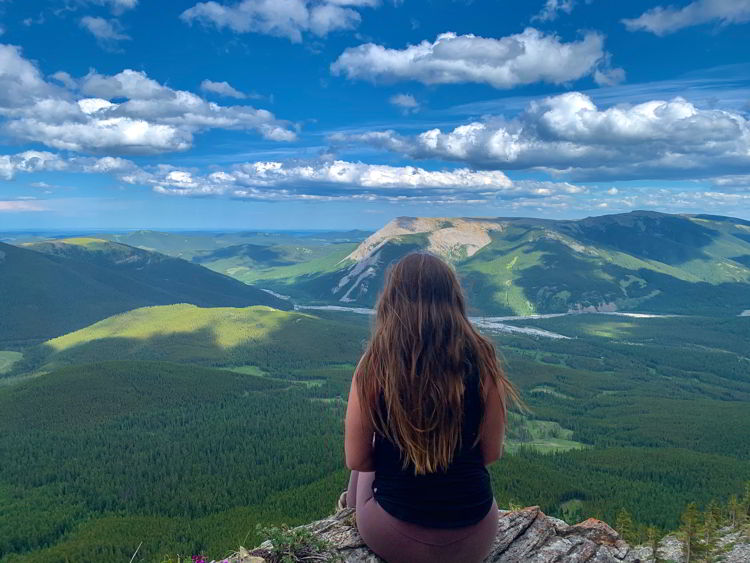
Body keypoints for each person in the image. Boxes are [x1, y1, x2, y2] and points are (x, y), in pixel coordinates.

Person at [342, 252, 521, 563]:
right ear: (452, 297)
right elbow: (490, 453)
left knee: (363, 463)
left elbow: (356, 458)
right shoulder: (483, 357)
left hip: (396, 538)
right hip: (475, 536)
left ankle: (345, 519)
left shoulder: (375, 363)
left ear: (392, 299)